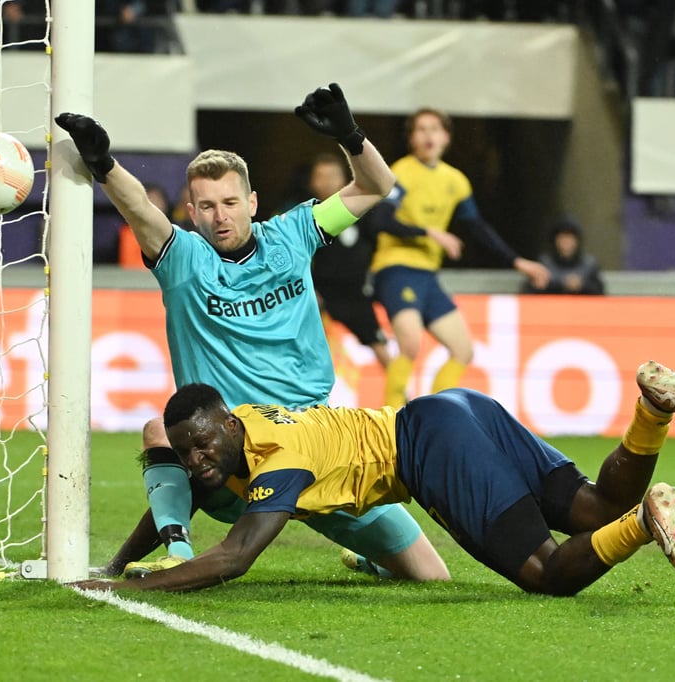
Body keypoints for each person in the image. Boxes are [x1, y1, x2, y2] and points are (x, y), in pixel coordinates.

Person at [54, 83, 450, 583]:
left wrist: (350, 136)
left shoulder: (294, 232)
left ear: (253, 201)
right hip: (233, 458)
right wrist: (104, 165)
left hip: (319, 444)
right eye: (206, 206)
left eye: (230, 202)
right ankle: (177, 550)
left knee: (432, 577)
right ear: (190, 212)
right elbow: (140, 210)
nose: (220, 217)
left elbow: (375, 184)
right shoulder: (182, 259)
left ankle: (373, 560)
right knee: (160, 431)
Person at [72, 360, 675, 595]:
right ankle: (651, 408)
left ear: (226, 423)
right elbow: (176, 497)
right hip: (456, 409)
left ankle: (646, 523)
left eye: (201, 445)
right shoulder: (237, 431)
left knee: (548, 574)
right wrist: (120, 562)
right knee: (594, 504)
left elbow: (237, 557)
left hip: (429, 448)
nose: (195, 461)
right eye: (185, 453)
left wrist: (146, 586)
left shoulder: (280, 457)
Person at [366, 107, 550, 409]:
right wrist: (430, 233)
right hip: (395, 268)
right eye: (421, 130)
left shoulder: (456, 181)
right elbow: (381, 221)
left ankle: (433, 415)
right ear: (412, 138)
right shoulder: (400, 172)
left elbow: (478, 229)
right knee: (410, 343)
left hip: (428, 275)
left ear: (446, 137)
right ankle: (390, 421)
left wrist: (518, 262)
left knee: (463, 349)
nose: (428, 136)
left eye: (435, 129)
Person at [280, 153, 392, 368]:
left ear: (344, 179)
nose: (327, 181)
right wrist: (310, 290)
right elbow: (296, 257)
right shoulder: (306, 217)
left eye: (333, 175)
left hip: (356, 293)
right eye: (321, 176)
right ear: (312, 182)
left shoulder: (362, 211)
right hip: (321, 296)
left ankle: (405, 398)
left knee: (381, 348)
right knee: (308, 352)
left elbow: (378, 244)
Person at [521, 216, 605, 295]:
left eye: (570, 238)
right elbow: (530, 291)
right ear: (555, 240)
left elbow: (600, 292)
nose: (566, 242)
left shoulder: (589, 265)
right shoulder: (544, 264)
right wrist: (561, 285)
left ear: (577, 240)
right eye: (562, 237)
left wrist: (582, 286)